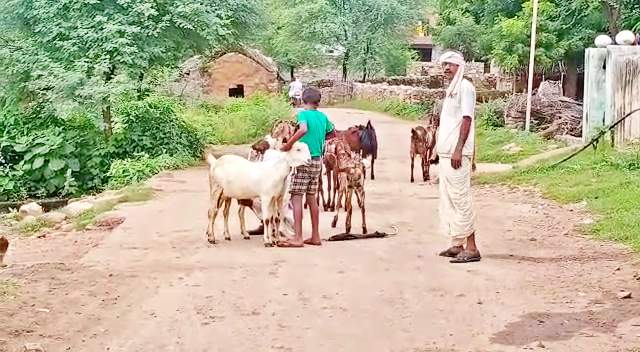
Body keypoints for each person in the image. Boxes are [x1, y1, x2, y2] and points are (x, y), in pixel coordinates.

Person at [436, 50, 481, 264]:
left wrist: (458, 149)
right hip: (446, 153)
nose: (446, 68)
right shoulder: (451, 90)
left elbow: (467, 119)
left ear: (460, 66)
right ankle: (458, 243)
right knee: (449, 199)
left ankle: (472, 248)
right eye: (444, 64)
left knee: (461, 198)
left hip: (457, 154)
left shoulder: (465, 87)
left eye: (451, 65)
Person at [279, 87, 334, 247]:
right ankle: (315, 236)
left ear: (303, 100)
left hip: (303, 160)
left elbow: (303, 129)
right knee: (312, 198)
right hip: (317, 160)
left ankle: (298, 237)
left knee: (297, 196)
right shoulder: (323, 117)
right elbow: (332, 133)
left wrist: (288, 145)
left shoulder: (303, 114)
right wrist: (319, 139)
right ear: (318, 102)